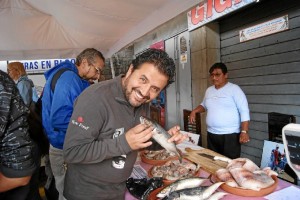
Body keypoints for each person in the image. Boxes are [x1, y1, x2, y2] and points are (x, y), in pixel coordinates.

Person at [63, 48, 188, 200]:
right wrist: (124, 143)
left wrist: (165, 141)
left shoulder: (142, 102)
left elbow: (140, 142)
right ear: (130, 70)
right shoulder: (95, 98)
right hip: (86, 194)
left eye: (155, 89)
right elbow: (72, 152)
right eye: (143, 79)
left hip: (117, 191)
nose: (145, 92)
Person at [42, 48, 105, 200]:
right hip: (64, 147)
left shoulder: (73, 77)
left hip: (63, 144)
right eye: (97, 70)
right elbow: (60, 118)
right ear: (84, 63)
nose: (97, 76)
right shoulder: (69, 79)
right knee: (68, 193)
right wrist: (93, 131)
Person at [189, 62, 250, 159]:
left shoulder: (234, 89)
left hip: (230, 135)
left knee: (230, 163)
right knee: (214, 161)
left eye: (217, 75)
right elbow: (204, 105)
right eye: (212, 75)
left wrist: (244, 131)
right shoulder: (209, 90)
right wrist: (194, 111)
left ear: (226, 75)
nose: (214, 78)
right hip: (212, 134)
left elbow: (244, 110)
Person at [0, 70, 36, 199]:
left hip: (22, 137)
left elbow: (24, 104)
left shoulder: (21, 83)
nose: (9, 72)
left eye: (10, 70)